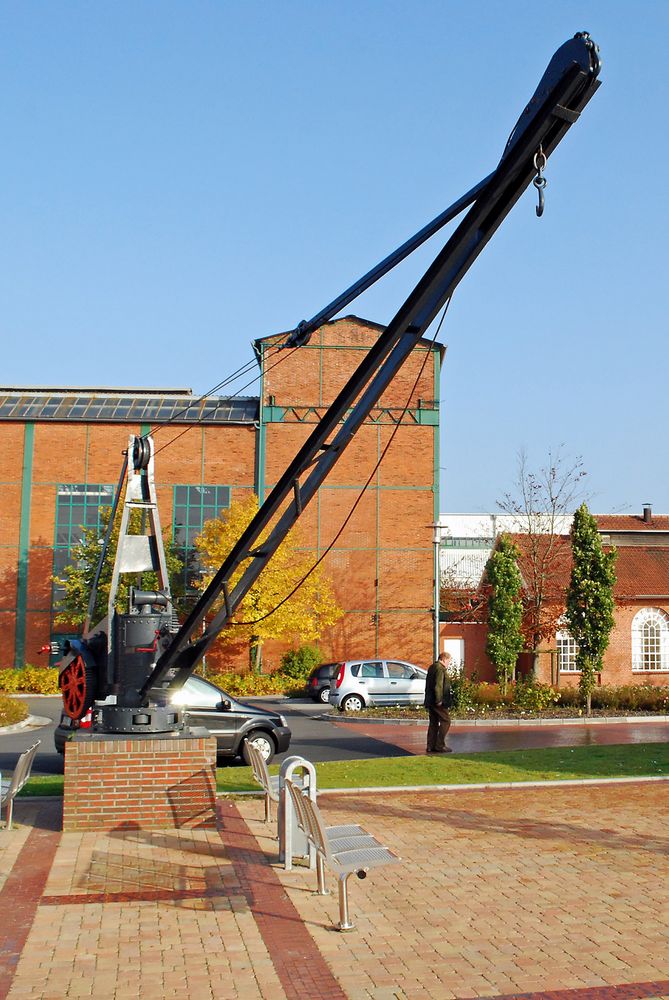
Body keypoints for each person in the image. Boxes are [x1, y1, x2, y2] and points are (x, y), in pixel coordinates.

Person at [424, 650, 453, 754]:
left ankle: (430, 746)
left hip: (430, 700)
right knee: (446, 721)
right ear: (444, 659)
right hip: (437, 701)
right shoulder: (440, 669)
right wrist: (439, 700)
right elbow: (438, 685)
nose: (449, 664)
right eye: (449, 661)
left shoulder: (432, 667)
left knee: (433, 723)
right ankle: (440, 745)